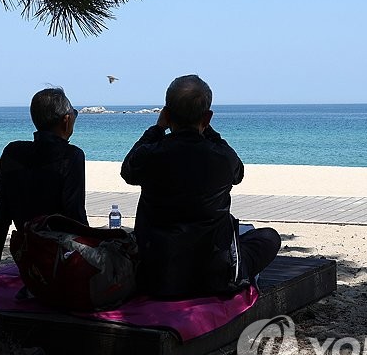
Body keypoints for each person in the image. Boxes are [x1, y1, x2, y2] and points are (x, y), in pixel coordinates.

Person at [120, 74, 280, 298]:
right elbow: (239, 173)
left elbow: (127, 170)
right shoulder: (222, 157)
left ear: (166, 114)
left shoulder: (150, 154)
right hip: (212, 274)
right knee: (269, 237)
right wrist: (208, 130)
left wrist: (156, 130)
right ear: (207, 118)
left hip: (157, 274)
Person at [0, 87, 88, 277]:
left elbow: (2, 212)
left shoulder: (12, 152)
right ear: (66, 120)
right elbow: (75, 215)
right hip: (60, 259)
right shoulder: (72, 156)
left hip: (29, 257)